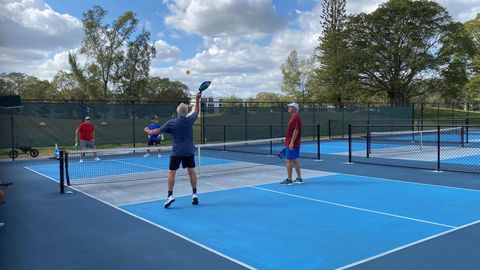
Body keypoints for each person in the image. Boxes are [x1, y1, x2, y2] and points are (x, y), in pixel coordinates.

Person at [149, 92, 202, 208]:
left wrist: (149, 131)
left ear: (178, 112)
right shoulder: (190, 120)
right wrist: (197, 99)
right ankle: (194, 194)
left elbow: (157, 131)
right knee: (192, 172)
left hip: (177, 152)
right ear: (186, 112)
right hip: (189, 151)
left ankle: (170, 196)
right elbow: (196, 112)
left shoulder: (171, 123)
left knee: (172, 173)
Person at [280, 102, 303, 185]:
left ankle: (289, 179)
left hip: (292, 143)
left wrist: (291, 143)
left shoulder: (296, 117)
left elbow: (296, 130)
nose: (288, 108)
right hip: (291, 142)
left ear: (294, 108)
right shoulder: (294, 117)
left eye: (290, 107)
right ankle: (299, 178)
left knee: (288, 160)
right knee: (294, 160)